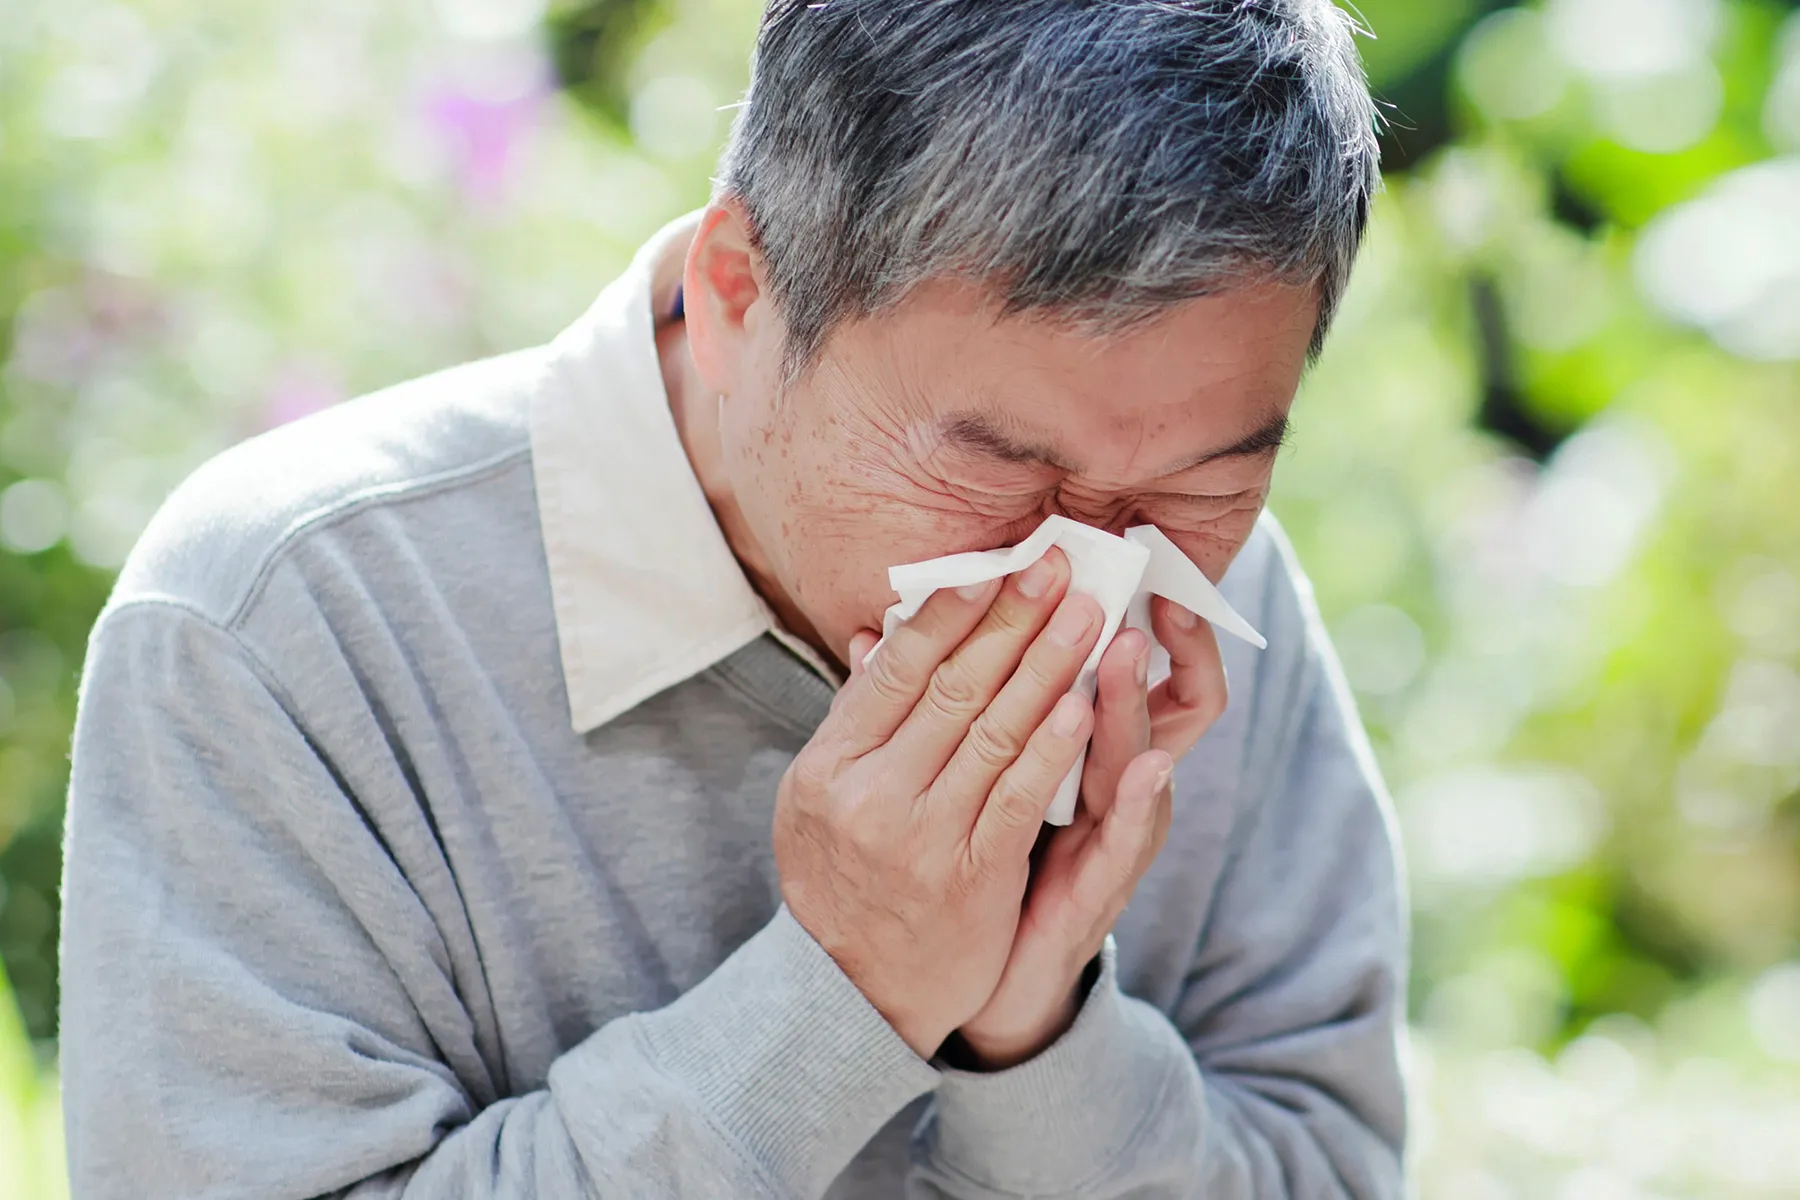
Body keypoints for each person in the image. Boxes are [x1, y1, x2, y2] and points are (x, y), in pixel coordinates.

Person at [59, 1, 1406, 1196]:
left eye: (1198, 485)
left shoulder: (1212, 608)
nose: (1086, 572)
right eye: (1000, 469)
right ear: (736, 295)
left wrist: (1040, 1042)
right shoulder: (284, 623)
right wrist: (840, 997)